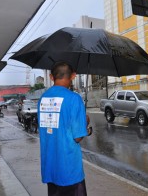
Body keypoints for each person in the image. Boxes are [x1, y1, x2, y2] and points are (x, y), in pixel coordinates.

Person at [38, 61, 92, 196]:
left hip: (50, 166)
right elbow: (78, 137)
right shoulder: (74, 98)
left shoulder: (43, 98)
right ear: (73, 76)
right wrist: (85, 124)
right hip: (69, 170)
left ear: (51, 77)